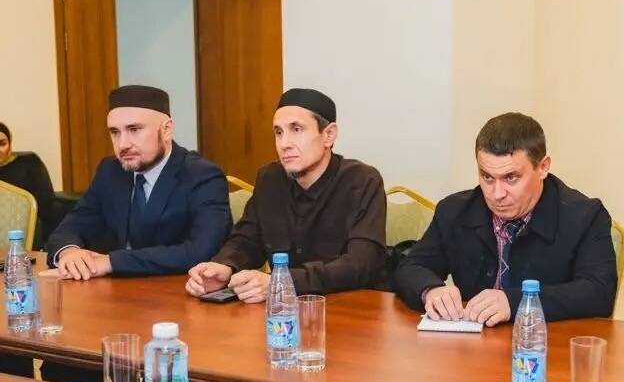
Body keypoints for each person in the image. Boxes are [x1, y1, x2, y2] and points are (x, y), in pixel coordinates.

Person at [387, 112, 618, 382]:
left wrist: (513, 301)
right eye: (486, 177)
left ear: (543, 167)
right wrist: (431, 289)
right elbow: (411, 267)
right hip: (470, 363)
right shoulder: (456, 210)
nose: (497, 193)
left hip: (546, 368)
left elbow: (598, 291)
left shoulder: (584, 215)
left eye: (511, 178)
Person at [185, 88, 386, 301]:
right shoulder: (270, 178)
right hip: (281, 311)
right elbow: (247, 239)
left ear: (328, 135)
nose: (284, 144)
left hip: (350, 306)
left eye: (296, 129)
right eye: (278, 132)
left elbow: (362, 263)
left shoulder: (361, 181)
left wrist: (282, 282)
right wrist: (224, 266)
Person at [45, 85, 231, 279]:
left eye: (134, 130)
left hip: (177, 290)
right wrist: (69, 252)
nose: (123, 144)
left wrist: (111, 262)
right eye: (115, 132)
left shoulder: (202, 175)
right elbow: (71, 226)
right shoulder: (111, 170)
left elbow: (201, 251)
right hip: (114, 291)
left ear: (166, 130)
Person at [0, 122, 62, 245]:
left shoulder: (29, 162)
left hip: (31, 225)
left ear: (10, 144)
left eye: (2, 144)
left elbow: (45, 198)